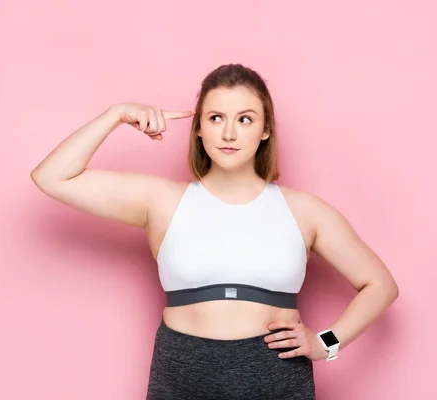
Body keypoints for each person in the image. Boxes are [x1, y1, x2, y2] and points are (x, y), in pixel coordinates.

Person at [31, 63, 399, 399]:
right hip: (182, 375)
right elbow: (52, 176)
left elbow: (380, 285)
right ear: (199, 127)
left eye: (245, 119)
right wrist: (116, 115)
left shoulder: (305, 211)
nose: (228, 132)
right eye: (216, 117)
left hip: (275, 378)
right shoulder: (161, 201)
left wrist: (326, 342)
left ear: (266, 129)